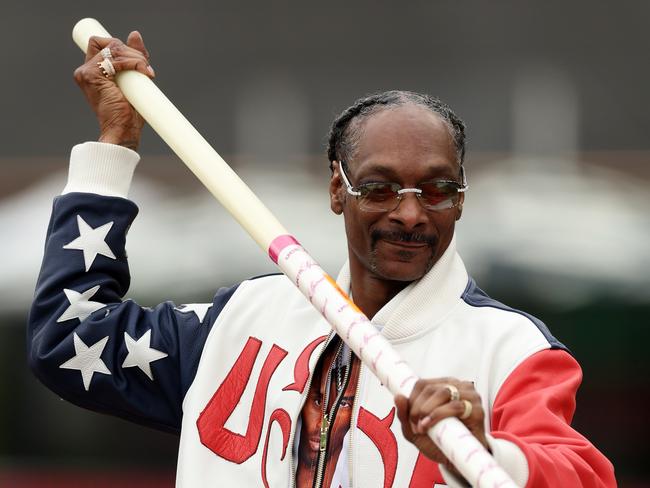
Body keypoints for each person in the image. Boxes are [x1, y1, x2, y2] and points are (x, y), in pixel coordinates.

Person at [28, 31, 616, 487]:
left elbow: (584, 476)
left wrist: (488, 450)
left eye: (436, 190)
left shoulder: (509, 348)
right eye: (380, 188)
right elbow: (68, 338)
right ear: (338, 191)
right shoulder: (246, 318)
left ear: (460, 200)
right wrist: (112, 148)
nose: (411, 215)